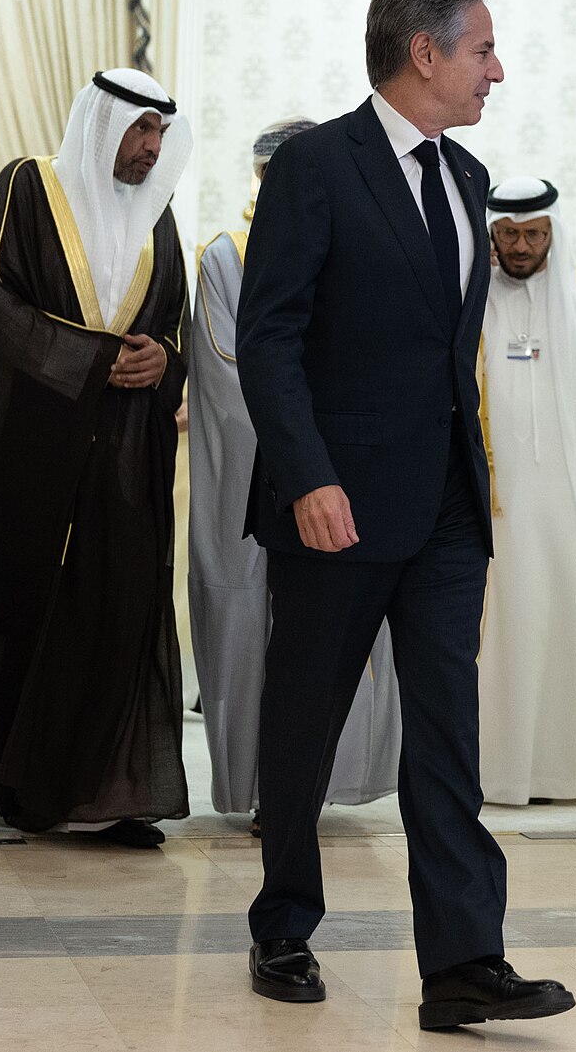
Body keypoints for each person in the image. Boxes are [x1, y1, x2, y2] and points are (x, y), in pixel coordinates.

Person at [236, 0, 573, 1028]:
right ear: (423, 53)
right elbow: (268, 338)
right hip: (332, 508)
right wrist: (310, 477)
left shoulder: (471, 178)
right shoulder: (314, 167)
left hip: (445, 514)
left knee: (447, 737)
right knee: (305, 725)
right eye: (482, 49)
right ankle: (283, 925)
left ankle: (465, 960)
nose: (497, 69)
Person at [0, 69, 192, 846]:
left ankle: (108, 792)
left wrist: (161, 364)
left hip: (126, 463)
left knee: (121, 609)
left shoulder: (159, 216)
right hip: (36, 456)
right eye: (140, 130)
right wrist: (88, 358)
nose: (150, 149)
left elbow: (170, 323)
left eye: (159, 135)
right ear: (103, 124)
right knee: (38, 615)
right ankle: (29, 788)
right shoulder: (29, 189)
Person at [189, 116, 401, 833]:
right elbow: (229, 376)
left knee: (337, 631)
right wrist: (305, 443)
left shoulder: (364, 239)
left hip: (347, 473)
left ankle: (325, 784)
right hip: (262, 475)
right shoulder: (226, 255)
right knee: (257, 625)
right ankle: (266, 792)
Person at [476, 176, 576, 806]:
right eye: (508, 234)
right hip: (499, 499)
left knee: (573, 622)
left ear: (553, 232)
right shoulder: (469, 290)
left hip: (574, 496)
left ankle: (569, 773)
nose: (521, 247)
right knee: (505, 629)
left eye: (534, 234)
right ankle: (501, 773)